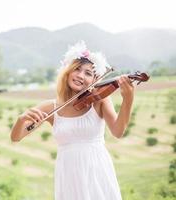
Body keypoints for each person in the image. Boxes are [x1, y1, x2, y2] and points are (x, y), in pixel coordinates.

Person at [10, 40, 134, 200]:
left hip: (96, 169)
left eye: (88, 73)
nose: (81, 76)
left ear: (94, 79)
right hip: (68, 173)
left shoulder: (99, 100)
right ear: (67, 72)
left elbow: (118, 131)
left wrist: (128, 99)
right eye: (77, 69)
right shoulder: (49, 107)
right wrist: (21, 120)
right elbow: (16, 137)